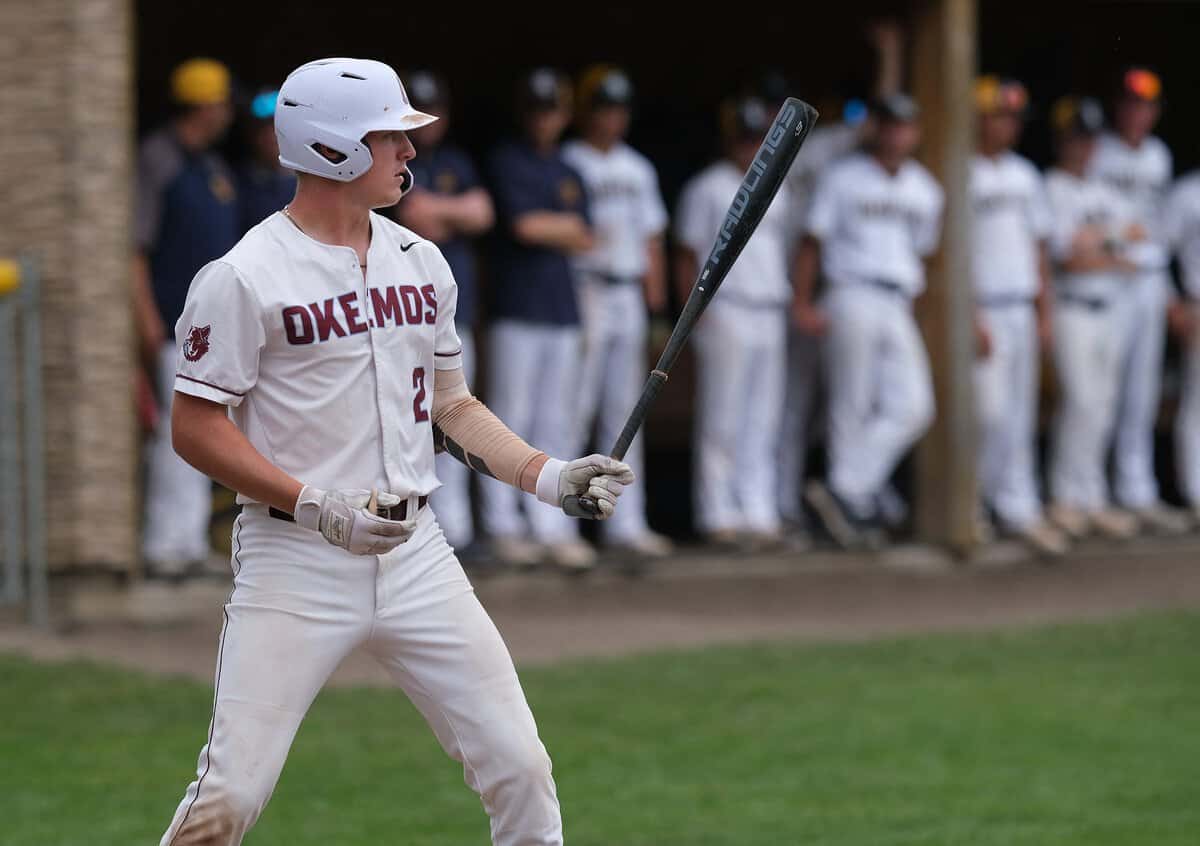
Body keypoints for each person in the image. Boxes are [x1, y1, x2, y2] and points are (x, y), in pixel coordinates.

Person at [156, 57, 633, 846]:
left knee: (522, 768)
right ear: (335, 147)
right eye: (392, 137)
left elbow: (449, 406)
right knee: (229, 798)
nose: (413, 151)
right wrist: (316, 505)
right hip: (294, 557)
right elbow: (195, 426)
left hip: (418, 558)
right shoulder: (243, 275)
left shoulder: (422, 260)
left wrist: (551, 478)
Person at [771, 21, 907, 541]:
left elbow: (882, 113)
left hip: (824, 291)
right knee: (791, 406)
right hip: (778, 289)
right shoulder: (760, 155)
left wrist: (890, 56)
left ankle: (853, 495)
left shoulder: (829, 146)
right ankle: (782, 506)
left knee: (847, 404)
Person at [796, 94, 943, 549]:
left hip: (897, 298)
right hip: (850, 291)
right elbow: (811, 244)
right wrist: (802, 300)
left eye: (906, 125)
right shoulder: (843, 177)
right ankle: (851, 507)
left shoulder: (925, 188)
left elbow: (924, 252)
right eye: (891, 124)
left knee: (915, 407)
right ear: (877, 128)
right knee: (851, 405)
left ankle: (845, 489)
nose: (898, 133)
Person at [481, 68, 597, 569]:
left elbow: (589, 235)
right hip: (516, 306)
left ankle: (550, 525)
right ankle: (503, 525)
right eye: (536, 108)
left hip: (561, 308)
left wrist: (558, 227)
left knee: (557, 421)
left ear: (564, 114)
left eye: (551, 109)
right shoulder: (506, 159)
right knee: (508, 419)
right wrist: (560, 227)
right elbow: (525, 226)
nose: (543, 118)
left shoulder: (570, 170)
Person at [561, 65, 673, 558]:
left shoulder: (638, 167)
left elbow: (653, 241)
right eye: (604, 108)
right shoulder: (570, 159)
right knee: (574, 408)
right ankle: (560, 525)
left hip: (627, 289)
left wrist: (656, 307)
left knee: (626, 412)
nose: (613, 118)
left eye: (619, 109)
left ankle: (625, 523)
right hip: (583, 287)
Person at [675, 96, 795, 548]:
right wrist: (691, 317)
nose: (750, 147)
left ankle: (757, 510)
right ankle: (717, 512)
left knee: (763, 417)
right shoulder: (707, 187)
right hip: (725, 309)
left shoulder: (779, 186)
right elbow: (687, 255)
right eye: (744, 138)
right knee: (722, 417)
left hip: (769, 308)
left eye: (756, 139)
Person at [135, 58, 238, 578]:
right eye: (221, 102)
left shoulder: (211, 166)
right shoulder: (158, 159)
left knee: (208, 434)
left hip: (215, 328)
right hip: (176, 322)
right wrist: (146, 317)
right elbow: (136, 248)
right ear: (204, 105)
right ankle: (166, 546)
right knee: (175, 435)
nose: (227, 112)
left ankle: (190, 542)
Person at [393, 70, 495, 555]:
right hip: (405, 314)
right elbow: (415, 216)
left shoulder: (457, 160)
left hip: (456, 312)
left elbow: (483, 213)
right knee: (412, 423)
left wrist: (443, 210)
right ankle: (418, 524)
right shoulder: (391, 159)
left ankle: (457, 529)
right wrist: (454, 211)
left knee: (458, 416)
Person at [1087, 67, 1191, 534]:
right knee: (1100, 391)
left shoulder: (1158, 155)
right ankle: (1093, 493)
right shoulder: (1098, 150)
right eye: (1131, 104)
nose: (1138, 113)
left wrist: (1170, 294)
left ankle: (1137, 491)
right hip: (1106, 278)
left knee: (1141, 392)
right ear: (1118, 107)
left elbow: (1163, 235)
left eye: (1146, 106)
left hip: (1146, 280)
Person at [969, 76, 1068, 556]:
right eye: (999, 115)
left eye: (1012, 117)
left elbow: (1039, 249)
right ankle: (970, 506)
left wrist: (1044, 313)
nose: (1008, 124)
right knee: (985, 413)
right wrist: (967, 316)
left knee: (1018, 415)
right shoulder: (959, 170)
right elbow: (952, 254)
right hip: (983, 305)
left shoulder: (1025, 174)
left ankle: (1017, 507)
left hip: (1021, 305)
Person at [1044, 97, 1140, 540]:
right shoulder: (1051, 186)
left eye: (1090, 139)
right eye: (1077, 138)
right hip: (1073, 307)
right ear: (1063, 140)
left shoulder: (1105, 191)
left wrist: (1098, 244)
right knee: (1081, 402)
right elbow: (1068, 258)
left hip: (1111, 308)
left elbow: (1136, 244)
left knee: (1103, 407)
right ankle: (1066, 498)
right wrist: (1109, 246)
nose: (1084, 147)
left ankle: (1091, 497)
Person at [1164, 172, 1200, 524]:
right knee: (1198, 403)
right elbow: (1158, 251)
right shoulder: (1188, 192)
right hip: (1198, 304)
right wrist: (1173, 302)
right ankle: (1196, 492)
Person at [235, 88, 297, 234]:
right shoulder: (235, 183)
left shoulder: (316, 180)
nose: (271, 136)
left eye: (279, 127)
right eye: (263, 129)